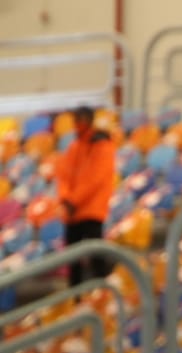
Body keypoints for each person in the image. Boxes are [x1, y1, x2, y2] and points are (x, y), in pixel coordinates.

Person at [54, 106, 116, 287]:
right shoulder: (74, 146)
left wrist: (72, 201)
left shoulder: (103, 145)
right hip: (72, 213)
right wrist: (65, 199)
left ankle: (102, 295)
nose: (78, 124)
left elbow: (95, 179)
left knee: (97, 259)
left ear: (90, 120)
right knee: (73, 262)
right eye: (77, 120)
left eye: (82, 119)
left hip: (92, 211)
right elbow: (64, 175)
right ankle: (76, 298)